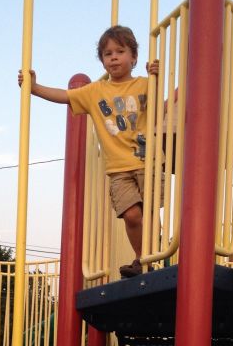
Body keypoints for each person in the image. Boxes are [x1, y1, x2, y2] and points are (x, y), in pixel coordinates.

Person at [18, 24, 164, 278]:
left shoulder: (144, 84)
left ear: (133, 58)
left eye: (120, 51)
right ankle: (142, 258)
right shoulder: (96, 91)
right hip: (118, 169)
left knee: (150, 213)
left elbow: (161, 105)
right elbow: (65, 96)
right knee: (131, 215)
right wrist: (35, 88)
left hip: (146, 161)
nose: (114, 57)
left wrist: (157, 76)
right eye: (108, 54)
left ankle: (154, 254)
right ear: (103, 61)